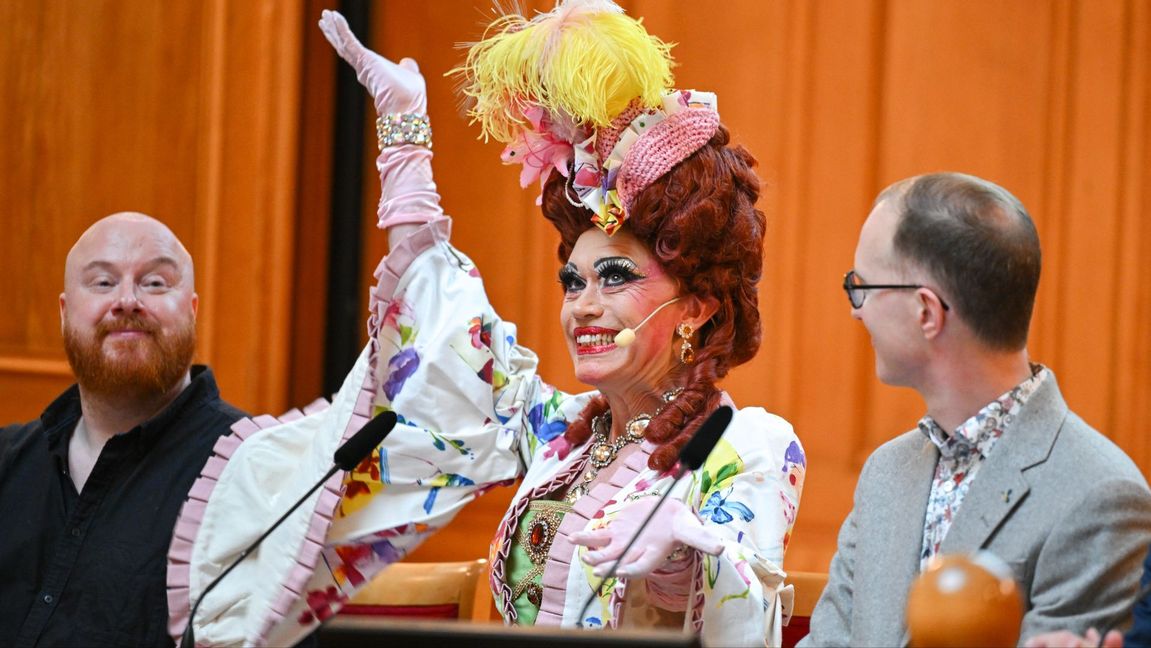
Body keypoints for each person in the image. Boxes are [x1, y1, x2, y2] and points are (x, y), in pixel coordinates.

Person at [169, 2, 804, 646]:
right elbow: (452, 336)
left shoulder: (742, 444)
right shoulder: (559, 438)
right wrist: (404, 137)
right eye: (572, 281)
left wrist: (680, 557)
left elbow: (742, 587)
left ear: (698, 306)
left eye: (615, 277)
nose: (582, 304)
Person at [799, 173, 1151, 646]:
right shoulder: (886, 473)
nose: (855, 310)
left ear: (926, 311)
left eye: (861, 286)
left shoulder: (1101, 496)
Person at [0, 213, 245, 646]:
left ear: (192, 311)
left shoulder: (248, 470)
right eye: (102, 283)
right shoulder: (8, 462)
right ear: (64, 313)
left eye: (154, 283)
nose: (127, 300)